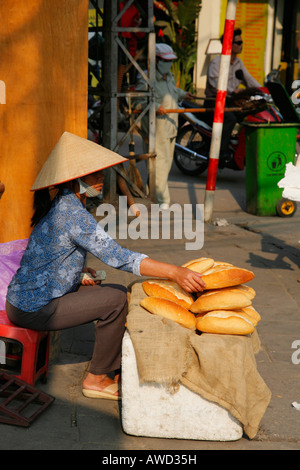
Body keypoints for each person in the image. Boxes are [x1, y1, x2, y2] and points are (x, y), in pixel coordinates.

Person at [5, 132, 205, 400]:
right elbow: (119, 256)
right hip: (33, 307)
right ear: (75, 180)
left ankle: (110, 367)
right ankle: (96, 378)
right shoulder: (72, 213)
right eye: (93, 175)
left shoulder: (64, 203)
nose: (100, 179)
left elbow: (50, 255)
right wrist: (175, 272)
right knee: (116, 300)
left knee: (112, 289)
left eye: (100, 173)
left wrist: (77, 272)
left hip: (26, 299)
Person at [134, 43, 194, 210]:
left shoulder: (169, 76)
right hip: (156, 129)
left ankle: (151, 195)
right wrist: (154, 107)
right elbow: (138, 102)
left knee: (165, 166)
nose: (168, 64)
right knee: (159, 165)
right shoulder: (146, 78)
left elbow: (172, 91)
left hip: (171, 126)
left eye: (170, 61)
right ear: (156, 60)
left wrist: (183, 93)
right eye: (165, 61)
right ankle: (163, 202)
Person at [204, 28, 261, 155]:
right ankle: (220, 151)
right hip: (214, 101)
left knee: (250, 115)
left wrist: (262, 90)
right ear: (229, 45)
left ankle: (239, 147)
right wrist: (231, 91)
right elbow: (215, 84)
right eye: (238, 43)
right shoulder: (216, 62)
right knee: (230, 118)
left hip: (231, 102)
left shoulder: (238, 62)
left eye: (242, 42)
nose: (241, 45)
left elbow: (249, 79)